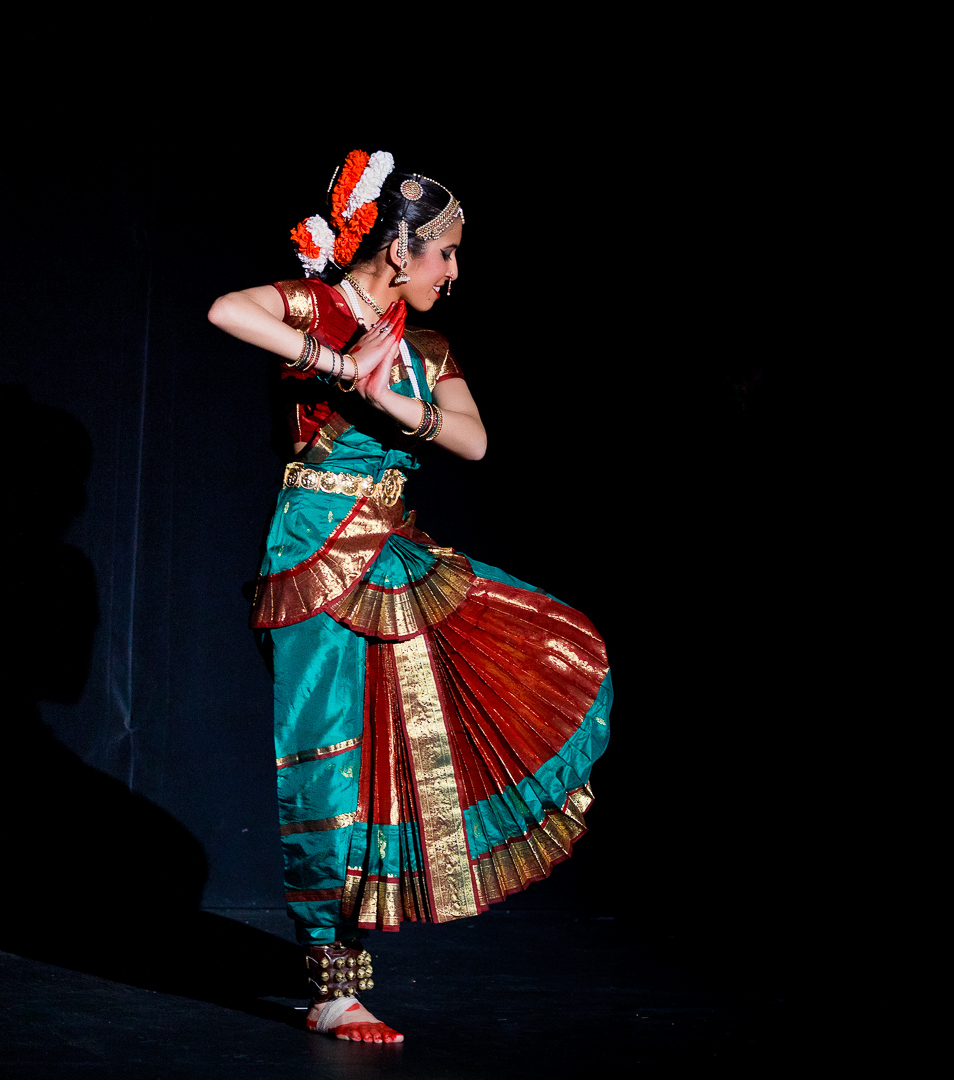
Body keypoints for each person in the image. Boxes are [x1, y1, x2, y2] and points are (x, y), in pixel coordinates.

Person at [208, 150, 613, 1044]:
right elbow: (226, 311)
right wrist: (338, 365)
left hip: (393, 551)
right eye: (446, 256)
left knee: (434, 725)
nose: (456, 273)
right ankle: (329, 982)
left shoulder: (425, 342)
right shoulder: (315, 305)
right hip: (315, 547)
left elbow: (471, 441)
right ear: (398, 247)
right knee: (329, 756)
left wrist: (401, 407)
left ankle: (345, 969)